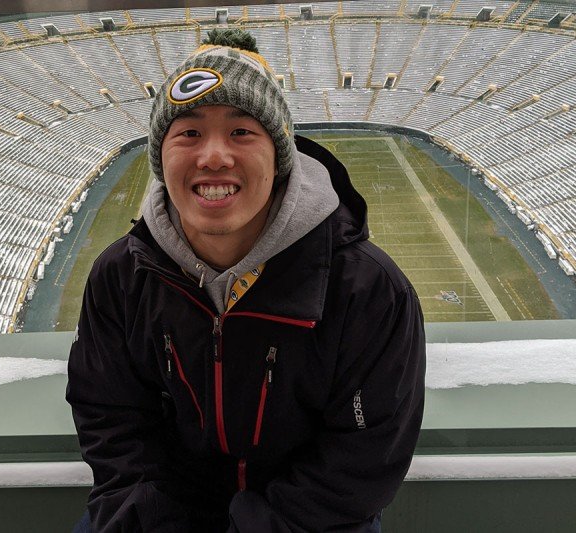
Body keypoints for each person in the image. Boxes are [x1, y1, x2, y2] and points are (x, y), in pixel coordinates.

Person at [66, 28, 425, 532]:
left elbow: (363, 458)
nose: (214, 156)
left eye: (241, 132)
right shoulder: (120, 277)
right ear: (160, 156)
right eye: (188, 132)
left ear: (279, 157)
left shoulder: (368, 289)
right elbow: (112, 421)